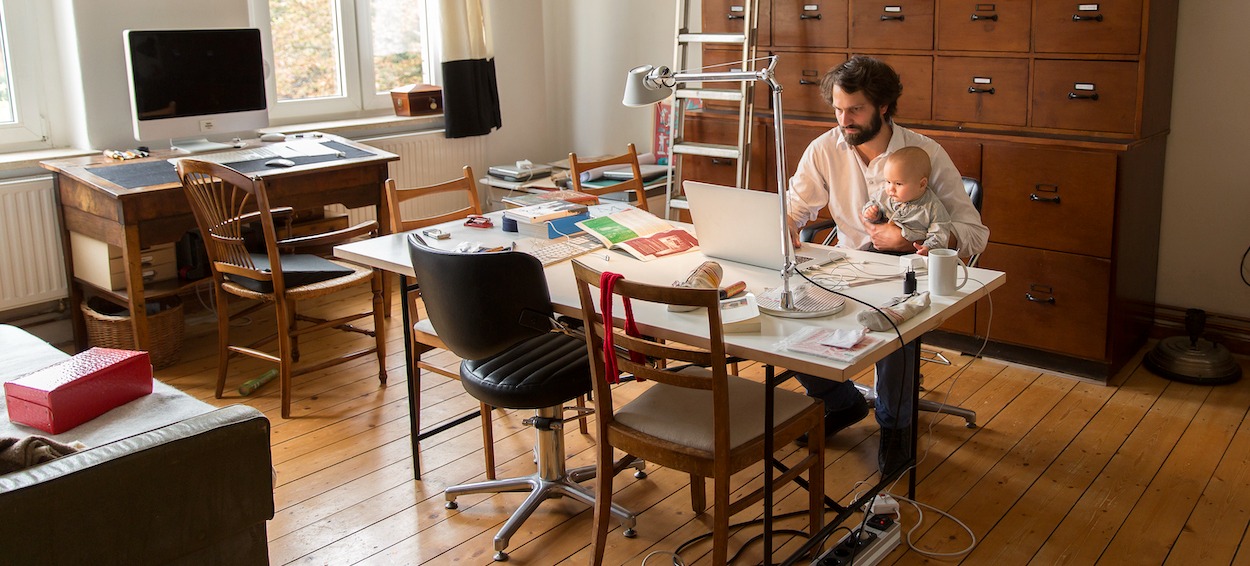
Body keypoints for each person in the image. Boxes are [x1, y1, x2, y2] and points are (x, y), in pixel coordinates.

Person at [785, 56, 988, 476]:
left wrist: (913, 239)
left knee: (895, 327)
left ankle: (896, 429)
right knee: (782, 309)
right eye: (838, 109)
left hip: (906, 272)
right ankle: (842, 403)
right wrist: (785, 225)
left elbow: (974, 232)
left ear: (882, 106)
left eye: (855, 109)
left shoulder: (924, 154)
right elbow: (795, 207)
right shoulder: (825, 148)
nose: (845, 120)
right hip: (847, 269)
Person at [861, 146, 952, 255]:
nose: (891, 189)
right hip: (879, 248)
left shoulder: (932, 207)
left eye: (898, 184)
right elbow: (872, 204)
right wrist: (871, 213)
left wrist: (928, 248)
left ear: (922, 184)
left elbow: (940, 233)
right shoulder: (884, 196)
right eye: (888, 182)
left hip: (912, 253)